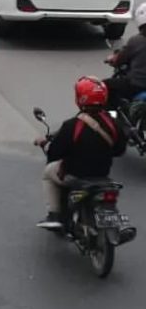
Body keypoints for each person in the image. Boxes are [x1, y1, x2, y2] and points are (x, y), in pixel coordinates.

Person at [35, 77, 127, 229]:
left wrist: (45, 144)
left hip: (75, 175)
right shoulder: (114, 123)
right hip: (103, 175)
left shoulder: (72, 125)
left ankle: (55, 214)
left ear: (79, 98)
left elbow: (55, 153)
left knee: (48, 173)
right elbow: (120, 150)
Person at [104, 2, 146, 106]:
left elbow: (119, 60)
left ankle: (113, 117)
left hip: (137, 85)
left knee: (104, 86)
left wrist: (113, 59)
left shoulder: (136, 40)